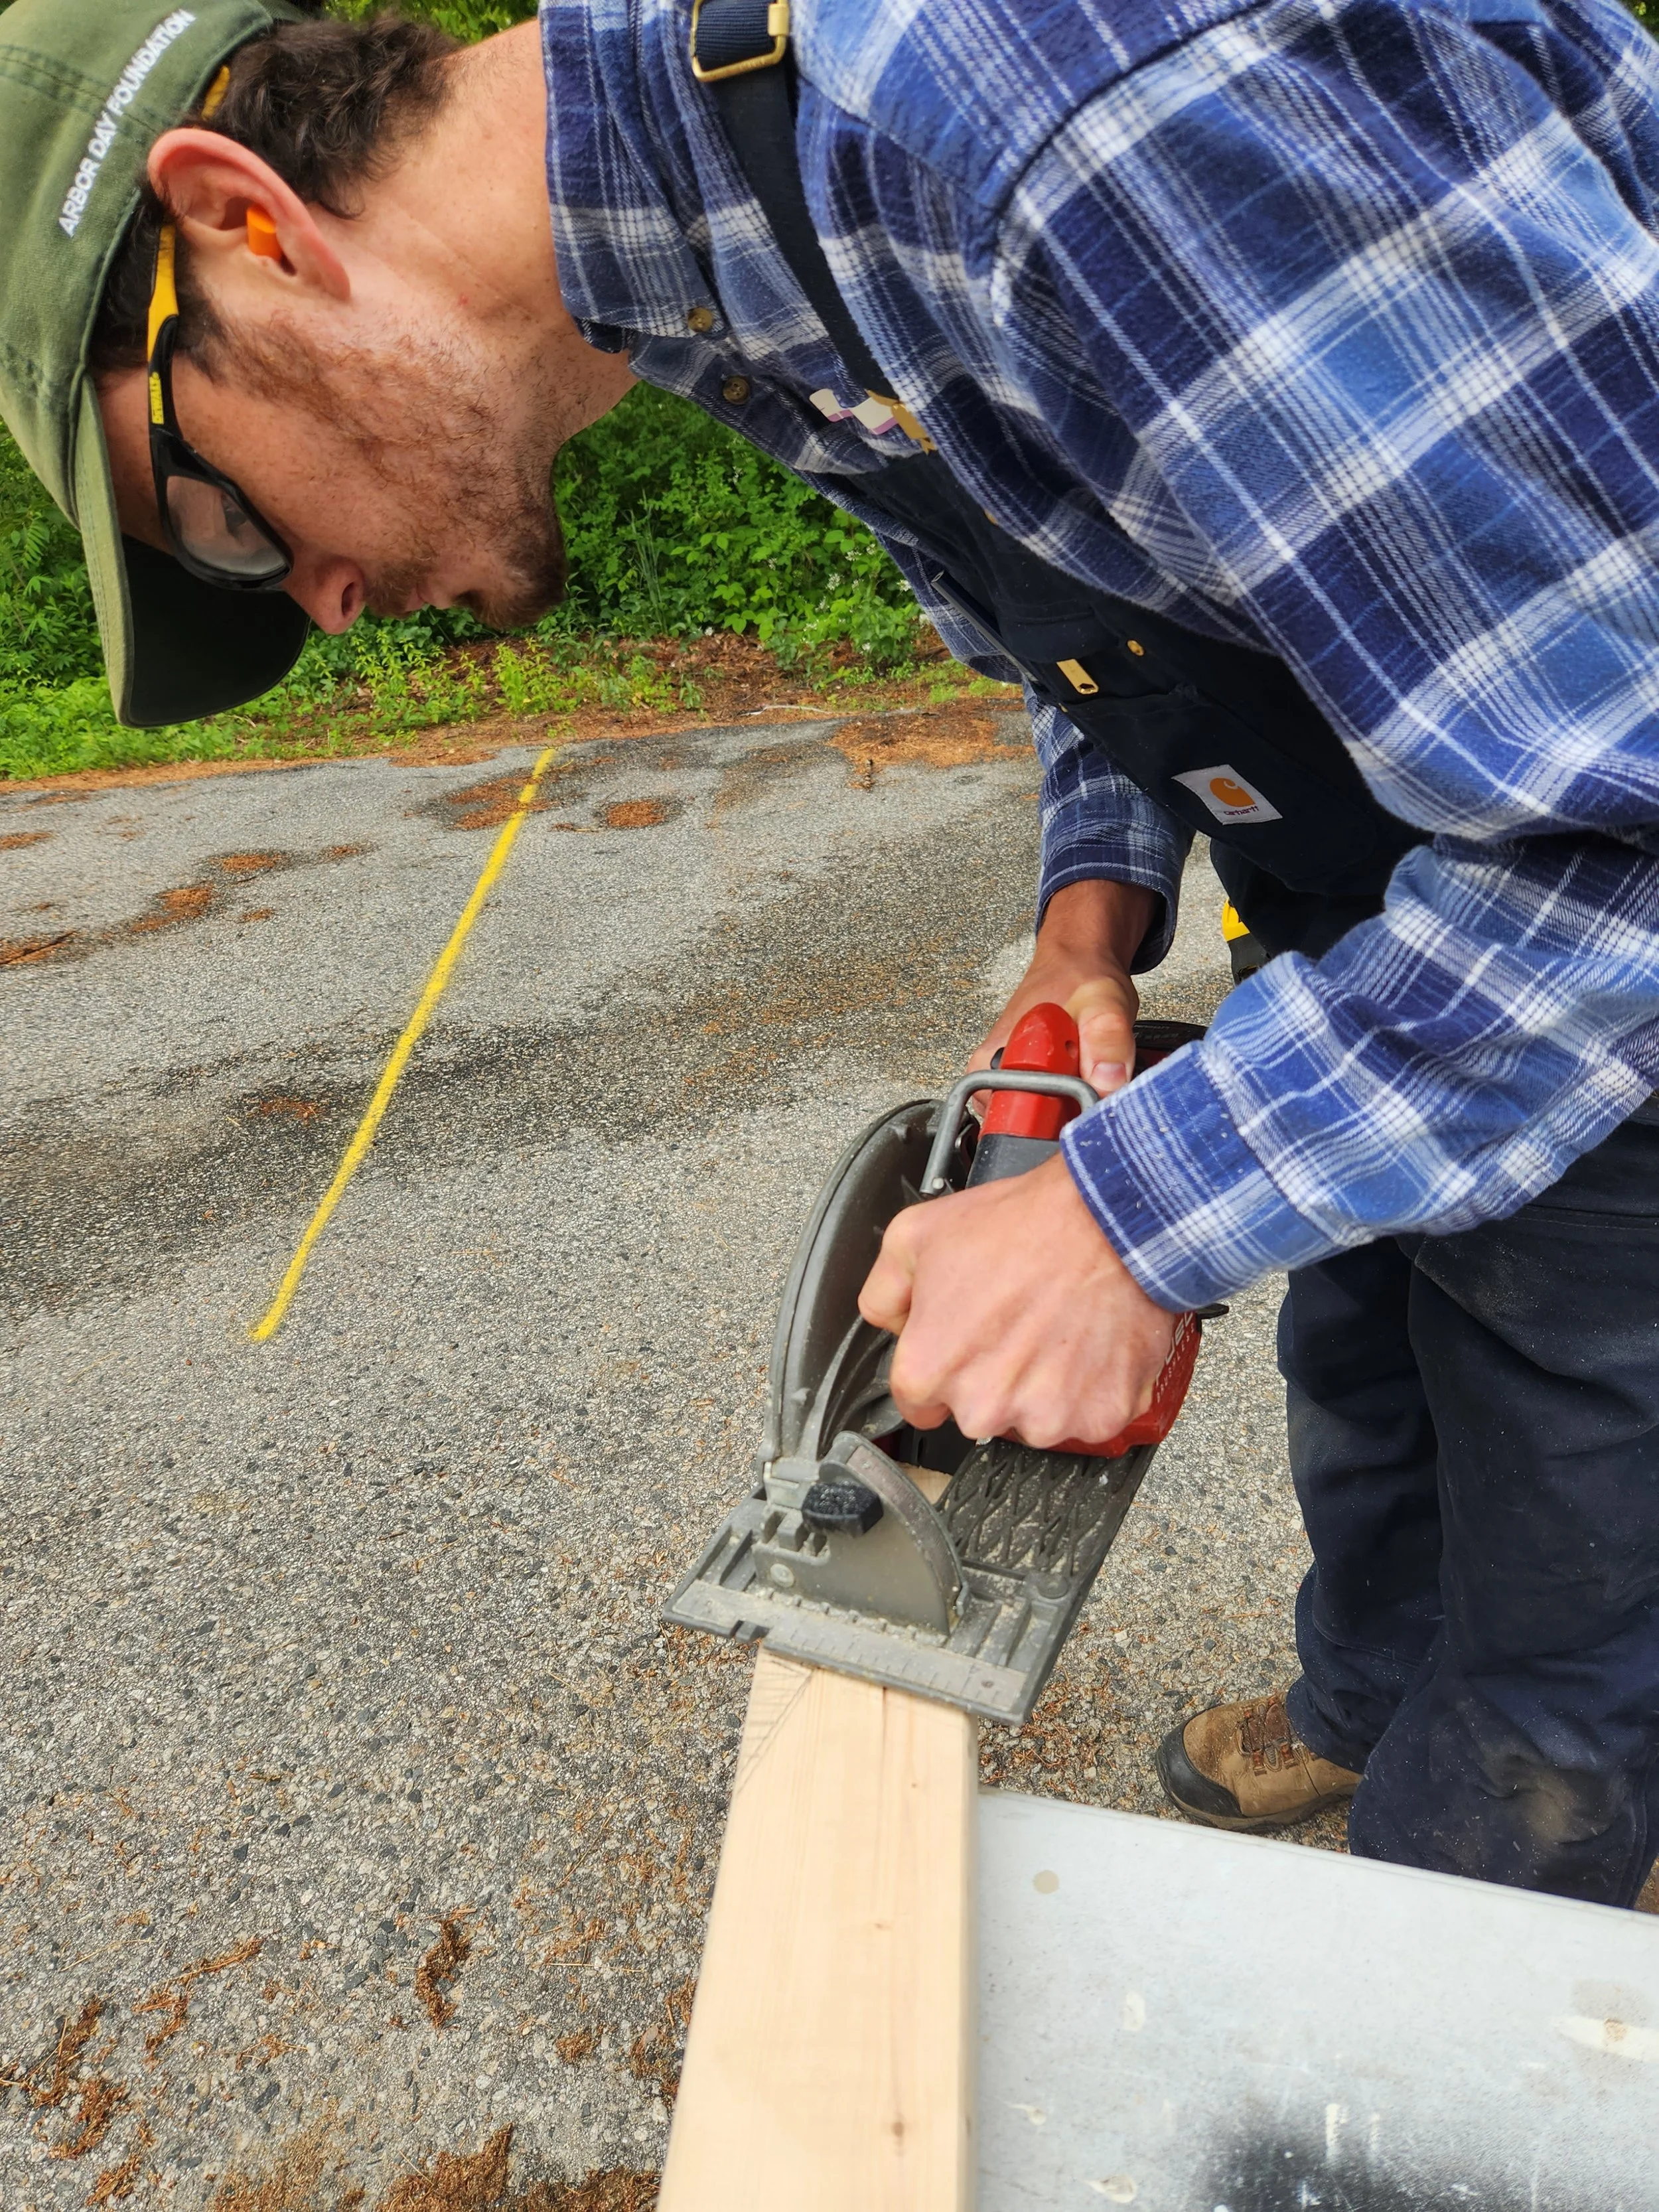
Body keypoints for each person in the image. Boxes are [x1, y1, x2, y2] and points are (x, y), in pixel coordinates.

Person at [5, 0, 1659, 1907]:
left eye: (216, 523)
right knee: (1373, 1351)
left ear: (248, 221)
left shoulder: (1051, 119)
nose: (325, 598)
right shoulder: (737, 232)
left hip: (1578, 927)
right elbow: (1126, 570)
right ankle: (1369, 1696)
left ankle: (1454, 1946)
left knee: (1576, 1518)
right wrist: (1087, 912)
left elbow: (1618, 825)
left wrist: (1125, 1212)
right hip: (1412, 885)